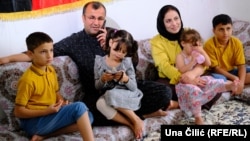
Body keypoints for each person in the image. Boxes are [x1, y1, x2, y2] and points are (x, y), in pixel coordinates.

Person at [0, 1, 173, 126]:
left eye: (100, 18)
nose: (96, 22)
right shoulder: (74, 41)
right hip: (99, 95)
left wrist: (110, 47)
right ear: (83, 18)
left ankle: (134, 114)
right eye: (91, 17)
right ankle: (139, 116)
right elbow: (39, 52)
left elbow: (133, 65)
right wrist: (6, 59)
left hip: (124, 89)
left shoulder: (114, 35)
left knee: (164, 92)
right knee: (89, 113)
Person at [14, 32, 94, 141]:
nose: (49, 55)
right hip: (33, 123)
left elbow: (56, 92)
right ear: (30, 54)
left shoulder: (50, 69)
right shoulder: (28, 80)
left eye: (51, 50)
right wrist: (46, 111)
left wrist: (62, 103)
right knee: (80, 107)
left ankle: (44, 136)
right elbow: (18, 112)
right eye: (43, 52)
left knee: (89, 117)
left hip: (49, 116)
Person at [150, 5, 216, 108]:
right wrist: (185, 79)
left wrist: (193, 74)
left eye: (176, 18)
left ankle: (181, 104)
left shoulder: (188, 33)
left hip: (194, 72)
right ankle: (188, 104)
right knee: (162, 93)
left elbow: (201, 58)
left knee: (212, 84)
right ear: (162, 23)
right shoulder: (156, 42)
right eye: (168, 21)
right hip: (171, 78)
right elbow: (164, 66)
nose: (174, 24)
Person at [175, 28, 238, 125]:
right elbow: (181, 70)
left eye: (197, 46)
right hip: (184, 84)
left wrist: (202, 51)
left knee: (210, 80)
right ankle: (198, 117)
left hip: (197, 79)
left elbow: (208, 63)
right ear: (183, 43)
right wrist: (192, 62)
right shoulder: (180, 56)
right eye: (192, 46)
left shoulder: (195, 53)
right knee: (195, 91)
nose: (194, 48)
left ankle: (228, 86)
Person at [94, 29, 144, 139]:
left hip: (128, 95)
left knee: (110, 94)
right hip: (109, 96)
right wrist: (102, 79)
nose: (119, 54)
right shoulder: (99, 62)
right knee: (100, 104)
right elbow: (97, 86)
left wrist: (125, 79)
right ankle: (130, 124)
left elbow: (134, 88)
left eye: (123, 52)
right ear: (111, 43)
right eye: (117, 49)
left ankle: (136, 119)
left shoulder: (126, 62)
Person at [204, 14, 250, 95]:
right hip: (218, 73)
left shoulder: (237, 43)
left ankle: (235, 83)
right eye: (221, 29)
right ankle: (232, 84)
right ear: (214, 31)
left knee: (246, 69)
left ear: (232, 29)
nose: (225, 33)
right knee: (218, 80)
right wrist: (235, 78)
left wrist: (241, 83)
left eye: (228, 29)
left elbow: (241, 66)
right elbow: (216, 68)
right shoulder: (209, 45)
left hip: (233, 70)